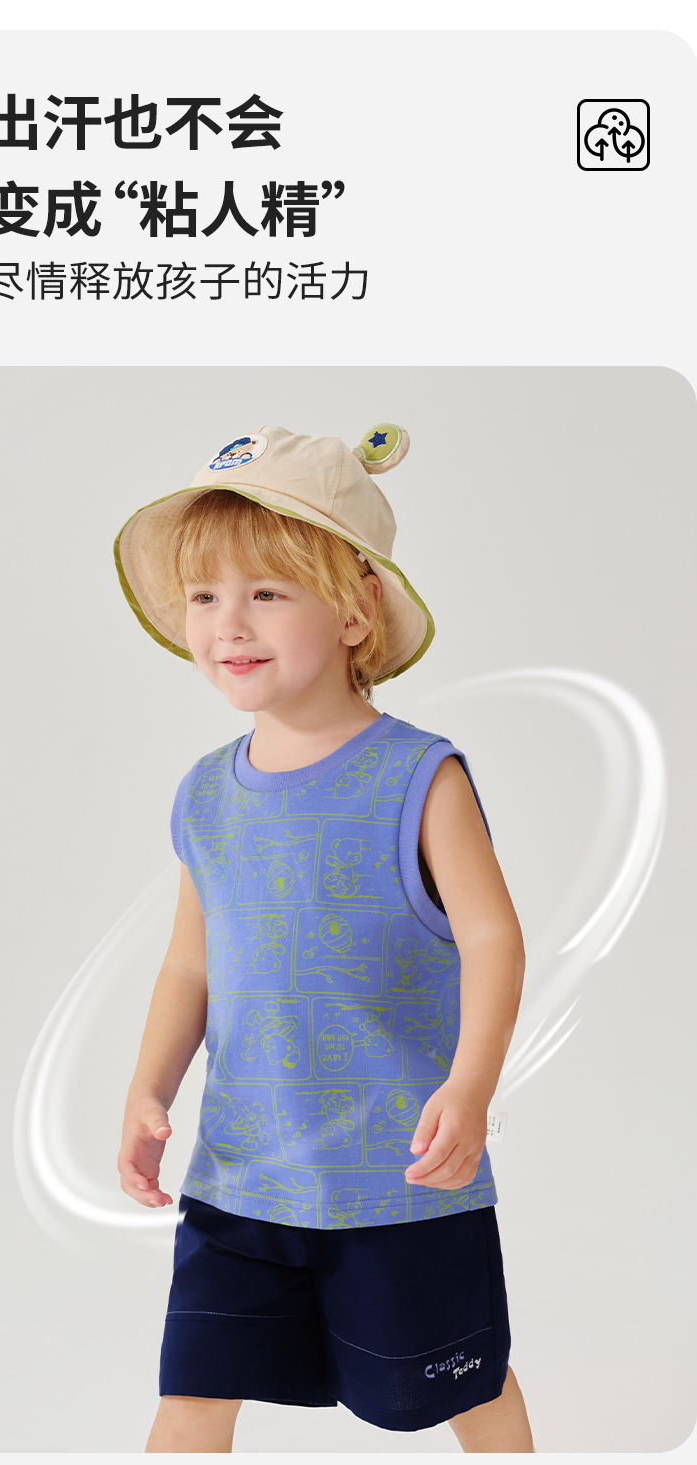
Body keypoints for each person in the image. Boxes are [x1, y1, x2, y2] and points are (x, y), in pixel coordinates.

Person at [114, 422, 535, 1453]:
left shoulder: (418, 775)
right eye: (203, 596)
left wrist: (471, 1086)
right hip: (239, 1179)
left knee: (467, 1384)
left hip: (399, 1184)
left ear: (355, 610)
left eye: (266, 592)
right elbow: (190, 963)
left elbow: (493, 939)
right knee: (192, 1393)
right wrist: (148, 1088)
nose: (227, 622)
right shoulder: (206, 794)